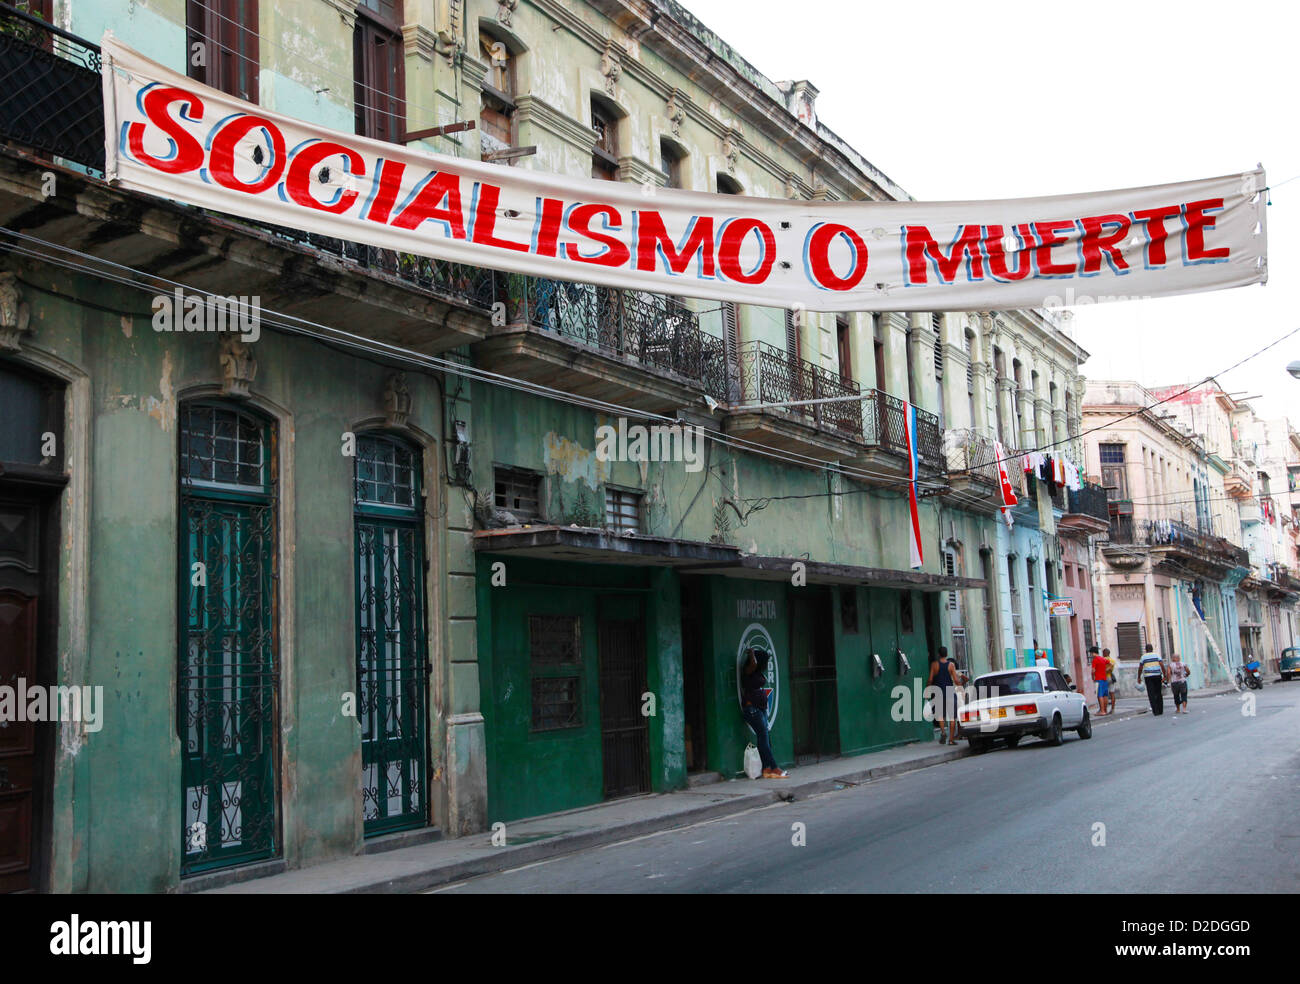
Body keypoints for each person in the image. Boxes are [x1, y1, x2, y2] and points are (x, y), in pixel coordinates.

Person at [741, 646, 787, 778]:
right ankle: (774, 767)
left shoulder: (757, 673)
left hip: (760, 709)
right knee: (764, 739)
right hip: (752, 710)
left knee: (765, 739)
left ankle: (766, 768)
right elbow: (754, 664)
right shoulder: (749, 670)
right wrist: (751, 654)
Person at [928, 646, 960, 745]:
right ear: (946, 654)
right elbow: (955, 680)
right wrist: (960, 683)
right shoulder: (951, 665)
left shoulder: (934, 665)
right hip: (949, 691)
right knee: (952, 717)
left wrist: (928, 687)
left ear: (938, 654)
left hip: (938, 691)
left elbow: (930, 679)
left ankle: (942, 732)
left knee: (940, 714)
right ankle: (951, 740)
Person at [1137, 643, 1168, 716]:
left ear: (1146, 650)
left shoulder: (1143, 657)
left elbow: (1140, 667)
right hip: (1157, 675)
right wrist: (1164, 675)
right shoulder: (1156, 655)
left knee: (1151, 694)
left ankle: (1155, 711)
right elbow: (1162, 665)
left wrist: (1139, 677)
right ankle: (1160, 710)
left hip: (1148, 677)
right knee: (1158, 693)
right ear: (1152, 649)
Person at [1089, 645, 1111, 715]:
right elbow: (1110, 664)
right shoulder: (1103, 659)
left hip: (1098, 679)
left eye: (1091, 653)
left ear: (1092, 653)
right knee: (1105, 695)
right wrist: (1106, 670)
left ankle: (1102, 711)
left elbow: (1093, 670)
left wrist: (1092, 677)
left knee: (1100, 695)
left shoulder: (1095, 660)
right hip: (1104, 678)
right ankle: (1105, 710)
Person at [1102, 647, 1117, 714]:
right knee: (1112, 694)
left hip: (1104, 678)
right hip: (1111, 677)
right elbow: (1111, 668)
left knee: (1104, 694)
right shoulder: (1112, 660)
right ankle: (1113, 709)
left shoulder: (1102, 660)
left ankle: (1104, 709)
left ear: (1104, 653)